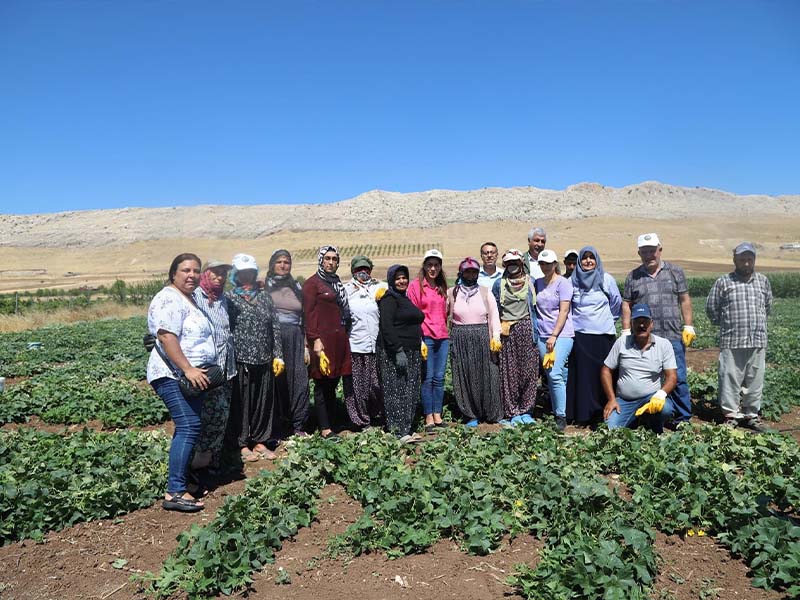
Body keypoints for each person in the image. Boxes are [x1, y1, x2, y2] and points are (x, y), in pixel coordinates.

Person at [147, 253, 216, 512]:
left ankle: (183, 482)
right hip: (171, 374)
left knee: (188, 427)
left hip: (190, 376)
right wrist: (187, 368)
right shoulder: (168, 298)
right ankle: (174, 491)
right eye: (186, 270)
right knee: (189, 425)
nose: (192, 275)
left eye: (196, 271)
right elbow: (166, 336)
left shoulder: (191, 298)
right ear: (173, 273)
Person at [622, 233, 695, 426]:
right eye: (644, 251)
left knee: (677, 378)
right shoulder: (633, 276)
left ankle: (683, 418)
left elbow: (684, 299)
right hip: (644, 338)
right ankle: (651, 415)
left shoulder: (675, 272)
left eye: (652, 251)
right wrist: (625, 330)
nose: (649, 255)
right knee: (647, 377)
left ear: (659, 250)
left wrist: (688, 325)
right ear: (639, 253)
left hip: (671, 335)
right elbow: (626, 304)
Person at [705, 242, 773, 432]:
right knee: (729, 378)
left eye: (749, 259)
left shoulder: (763, 281)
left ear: (754, 260)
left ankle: (751, 414)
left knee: (755, 379)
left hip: (757, 339)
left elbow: (767, 307)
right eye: (742, 259)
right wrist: (726, 325)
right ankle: (730, 415)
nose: (746, 263)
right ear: (735, 260)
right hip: (732, 339)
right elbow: (711, 308)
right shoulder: (724, 282)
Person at [226, 253, 285, 462]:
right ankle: (241, 444)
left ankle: (260, 441)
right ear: (236, 275)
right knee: (242, 403)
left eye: (250, 273)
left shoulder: (264, 297)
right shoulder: (230, 299)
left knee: (263, 402)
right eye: (243, 274)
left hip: (264, 357)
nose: (247, 277)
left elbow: (275, 327)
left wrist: (278, 355)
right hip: (241, 359)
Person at [191, 259, 237, 485]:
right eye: (215, 273)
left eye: (223, 274)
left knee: (220, 416)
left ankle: (212, 462)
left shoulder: (222, 299)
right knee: (201, 418)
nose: (220, 277)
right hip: (204, 368)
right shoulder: (194, 297)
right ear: (206, 274)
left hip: (225, 369)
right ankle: (195, 466)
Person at [566, 246, 622, 426]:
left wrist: (607, 320)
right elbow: (568, 308)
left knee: (604, 373)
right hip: (581, 335)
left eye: (592, 257)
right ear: (579, 262)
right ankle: (584, 415)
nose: (588, 261)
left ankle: (603, 413)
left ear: (597, 260)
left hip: (604, 335)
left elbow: (616, 303)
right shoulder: (572, 282)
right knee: (584, 376)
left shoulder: (606, 279)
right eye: (584, 258)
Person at [602, 303, 677, 432]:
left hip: (651, 398)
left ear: (651, 324)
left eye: (645, 322)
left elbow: (672, 376)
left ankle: (651, 423)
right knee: (610, 428)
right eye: (637, 321)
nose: (641, 325)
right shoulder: (622, 342)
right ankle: (635, 419)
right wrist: (611, 399)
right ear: (631, 324)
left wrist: (660, 394)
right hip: (625, 401)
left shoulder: (664, 345)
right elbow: (605, 371)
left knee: (666, 409)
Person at [303, 245, 352, 439]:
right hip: (322, 342)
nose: (331, 262)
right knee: (322, 383)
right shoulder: (312, 284)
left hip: (338, 339)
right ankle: (324, 428)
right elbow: (308, 314)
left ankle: (331, 422)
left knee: (333, 381)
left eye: (334, 259)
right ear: (321, 260)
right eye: (328, 259)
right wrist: (314, 340)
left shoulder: (336, 282)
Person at [448, 257, 502, 426]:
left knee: (487, 373)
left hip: (482, 335)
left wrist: (496, 337)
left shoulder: (485, 292)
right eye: (467, 271)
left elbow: (494, 315)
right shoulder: (452, 292)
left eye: (474, 272)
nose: (471, 275)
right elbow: (445, 317)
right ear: (461, 273)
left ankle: (490, 411)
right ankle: (470, 413)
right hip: (460, 336)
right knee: (465, 374)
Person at [264, 249, 310, 438]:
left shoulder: (297, 287)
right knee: (276, 381)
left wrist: (306, 345)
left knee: (299, 381)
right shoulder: (264, 286)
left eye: (287, 262)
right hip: (272, 337)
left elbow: (305, 316)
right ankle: (276, 427)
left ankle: (298, 424)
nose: (283, 265)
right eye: (279, 262)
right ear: (272, 264)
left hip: (296, 337)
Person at [377, 264, 425, 443]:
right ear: (391, 280)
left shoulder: (405, 298)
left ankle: (406, 428)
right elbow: (387, 326)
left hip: (411, 351)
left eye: (404, 277)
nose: (402, 281)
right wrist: (398, 350)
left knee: (410, 389)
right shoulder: (389, 298)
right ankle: (397, 431)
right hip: (394, 352)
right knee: (395, 390)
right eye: (397, 278)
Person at [492, 249, 538, 425]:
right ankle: (512, 412)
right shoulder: (499, 284)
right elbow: (496, 309)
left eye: (515, 262)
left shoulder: (531, 282)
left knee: (528, 371)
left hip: (527, 328)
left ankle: (526, 410)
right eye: (509, 263)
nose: (513, 266)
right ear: (505, 265)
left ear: (521, 263)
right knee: (509, 372)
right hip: (507, 331)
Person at [343, 255, 387, 429]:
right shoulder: (346, 290)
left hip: (376, 345)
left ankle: (377, 415)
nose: (363, 272)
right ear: (353, 271)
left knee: (377, 385)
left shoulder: (380, 287)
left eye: (366, 269)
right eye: (358, 269)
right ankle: (361, 421)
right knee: (357, 388)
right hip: (355, 345)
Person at [407, 249, 449, 432]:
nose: (433, 268)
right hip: (425, 337)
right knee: (427, 378)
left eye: (436, 265)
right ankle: (428, 416)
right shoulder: (416, 286)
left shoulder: (442, 286)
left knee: (440, 378)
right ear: (424, 266)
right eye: (429, 265)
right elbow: (412, 314)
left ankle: (438, 413)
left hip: (442, 337)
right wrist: (419, 339)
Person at [534, 249, 574, 431]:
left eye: (548, 263)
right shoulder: (537, 283)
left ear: (555, 264)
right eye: (542, 263)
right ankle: (565, 407)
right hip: (542, 334)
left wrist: (554, 335)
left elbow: (564, 311)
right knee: (553, 374)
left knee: (555, 373)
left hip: (561, 335)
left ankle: (561, 415)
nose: (545, 267)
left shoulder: (563, 284)